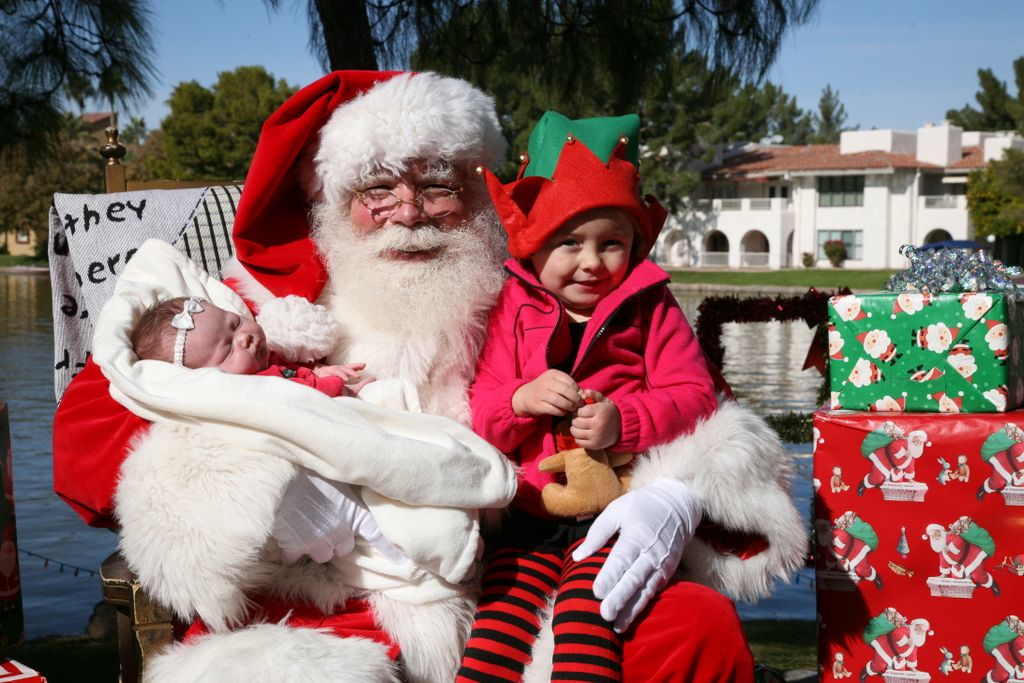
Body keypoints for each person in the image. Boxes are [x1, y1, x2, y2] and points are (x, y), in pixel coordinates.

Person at [52, 71, 805, 682]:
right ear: (335, 206)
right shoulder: (264, 301)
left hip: (525, 580)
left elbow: (700, 404)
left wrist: (673, 492)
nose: (409, 213)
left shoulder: (543, 287)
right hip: (327, 598)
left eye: (440, 185)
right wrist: (248, 479)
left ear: (484, 202)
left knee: (690, 627)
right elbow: (95, 434)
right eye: (377, 191)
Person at [458, 111, 715, 682]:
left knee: (590, 616)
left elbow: (696, 397)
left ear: (635, 245)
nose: (592, 262)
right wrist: (520, 399)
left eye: (612, 243)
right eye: (569, 242)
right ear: (533, 244)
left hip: (616, 513)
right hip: (528, 513)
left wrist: (625, 420)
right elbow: (482, 410)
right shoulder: (509, 307)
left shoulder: (651, 307)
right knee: (495, 629)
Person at [131, 295, 366, 396]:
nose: (244, 338)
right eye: (228, 349)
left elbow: (294, 372)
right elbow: (309, 395)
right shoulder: (259, 385)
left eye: (235, 323)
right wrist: (340, 386)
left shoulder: (266, 358)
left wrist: (319, 371)